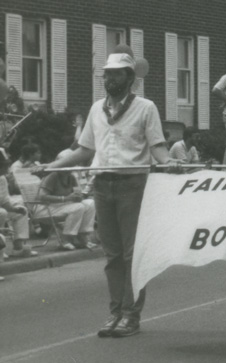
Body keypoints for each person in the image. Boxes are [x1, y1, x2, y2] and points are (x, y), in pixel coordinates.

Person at [45, 53, 179, 338]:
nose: (109, 79)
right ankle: (116, 312)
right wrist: (50, 167)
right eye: (107, 74)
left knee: (132, 254)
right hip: (102, 185)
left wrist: (169, 163)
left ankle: (131, 315)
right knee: (112, 255)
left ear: (130, 78)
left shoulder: (146, 107)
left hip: (132, 184)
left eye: (116, 74)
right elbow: (84, 151)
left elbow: (158, 148)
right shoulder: (96, 109)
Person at [37, 153, 98, 251]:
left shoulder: (71, 177)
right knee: (78, 207)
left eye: (70, 166)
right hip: (47, 207)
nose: (69, 168)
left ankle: (82, 236)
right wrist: (65, 198)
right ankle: (65, 239)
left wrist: (79, 196)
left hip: (65, 205)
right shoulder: (52, 176)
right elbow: (42, 196)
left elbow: (77, 193)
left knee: (90, 203)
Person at [0, 151, 33, 259]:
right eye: (5, 166)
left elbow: (4, 201)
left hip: (3, 206)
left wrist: (16, 209)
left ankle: (19, 246)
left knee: (21, 210)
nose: (7, 169)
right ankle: (1, 248)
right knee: (2, 213)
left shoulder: (2, 179)